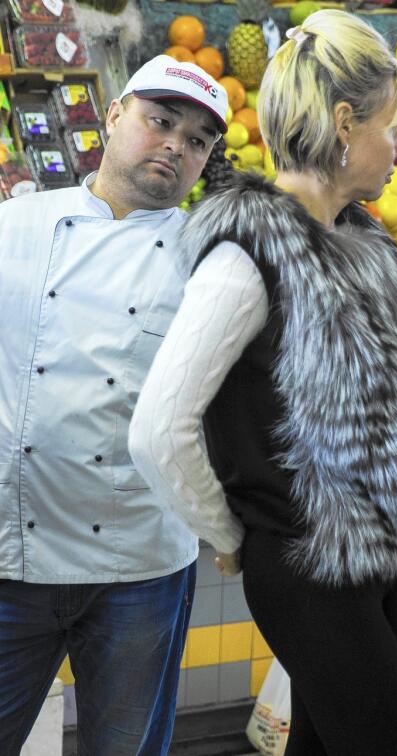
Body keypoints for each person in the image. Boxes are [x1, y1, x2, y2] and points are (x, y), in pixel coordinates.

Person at [127, 11, 397, 755]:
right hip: (308, 566)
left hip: (377, 560)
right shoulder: (249, 251)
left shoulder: (363, 244)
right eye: (392, 125)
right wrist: (230, 534)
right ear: (346, 124)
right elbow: (160, 427)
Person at [0, 56, 226, 754]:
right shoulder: (16, 225)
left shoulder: (212, 255)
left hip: (140, 562)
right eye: (161, 121)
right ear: (114, 113)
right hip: (11, 554)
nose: (175, 146)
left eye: (197, 140)